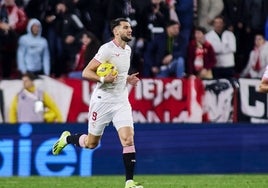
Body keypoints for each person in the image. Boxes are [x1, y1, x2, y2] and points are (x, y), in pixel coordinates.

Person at [52, 18, 143, 188]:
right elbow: (86, 72)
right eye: (126, 27)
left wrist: (127, 79)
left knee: (128, 139)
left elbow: (119, 73)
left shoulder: (128, 50)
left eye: (130, 27)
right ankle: (67, 138)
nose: (130, 30)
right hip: (102, 101)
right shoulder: (106, 49)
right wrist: (103, 78)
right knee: (91, 144)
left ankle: (129, 183)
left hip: (121, 101)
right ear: (116, 31)